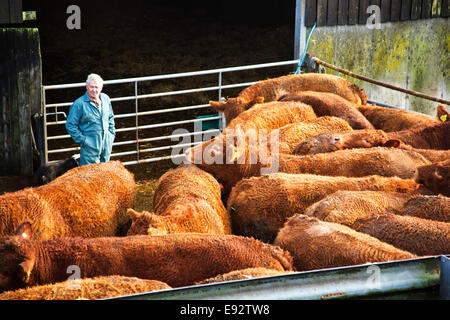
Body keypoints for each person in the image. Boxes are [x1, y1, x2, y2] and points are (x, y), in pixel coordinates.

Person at [66, 74, 115, 166]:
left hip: (106, 144)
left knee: (105, 172)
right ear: (86, 87)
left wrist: (111, 134)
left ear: (101, 87)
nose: (94, 90)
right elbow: (70, 125)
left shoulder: (105, 99)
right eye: (91, 87)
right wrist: (83, 140)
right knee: (89, 175)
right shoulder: (79, 104)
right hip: (89, 148)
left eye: (96, 87)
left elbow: (111, 117)